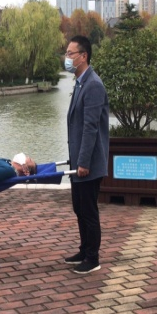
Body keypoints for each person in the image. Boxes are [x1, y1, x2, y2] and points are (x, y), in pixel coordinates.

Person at [63, 35, 110, 274]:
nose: (67, 58)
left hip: (88, 164)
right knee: (79, 208)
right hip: (78, 161)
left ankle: (93, 258)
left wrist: (82, 162)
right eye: (66, 53)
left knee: (89, 211)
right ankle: (84, 250)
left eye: (70, 54)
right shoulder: (80, 82)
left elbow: (91, 128)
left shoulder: (93, 85)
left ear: (83, 56)